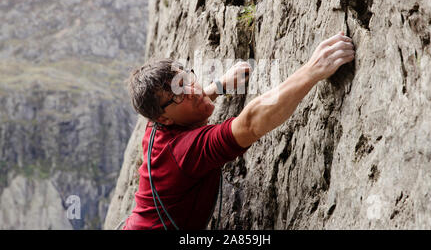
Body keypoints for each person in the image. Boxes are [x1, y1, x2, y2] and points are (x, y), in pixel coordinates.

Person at [122, 32, 355, 230]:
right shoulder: (185, 152)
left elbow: (189, 97)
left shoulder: (159, 120)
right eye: (179, 94)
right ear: (163, 118)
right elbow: (250, 123)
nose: (192, 90)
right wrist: (312, 70)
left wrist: (219, 86)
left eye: (184, 79)